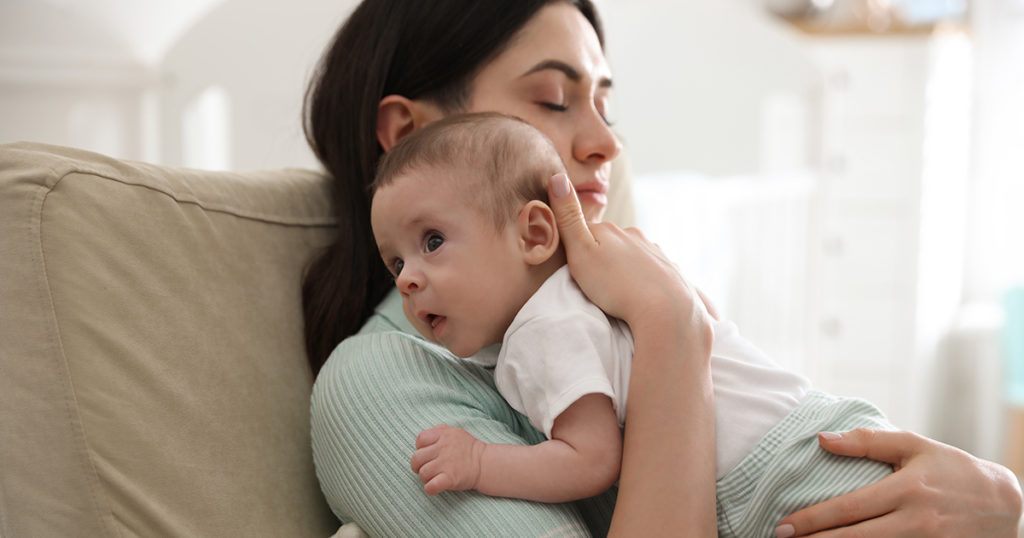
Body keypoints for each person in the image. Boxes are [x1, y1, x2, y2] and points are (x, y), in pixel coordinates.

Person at [303, 1, 1024, 536]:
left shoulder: (618, 288)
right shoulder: (380, 386)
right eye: (553, 100)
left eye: (605, 104)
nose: (603, 144)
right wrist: (673, 332)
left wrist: (996, 501)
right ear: (412, 135)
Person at [370, 112, 897, 536]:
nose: (408, 280)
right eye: (395, 263)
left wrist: (482, 462)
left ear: (533, 233)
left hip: (784, 476)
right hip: (825, 435)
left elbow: (591, 459)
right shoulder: (613, 286)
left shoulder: (541, 327)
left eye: (432, 241)